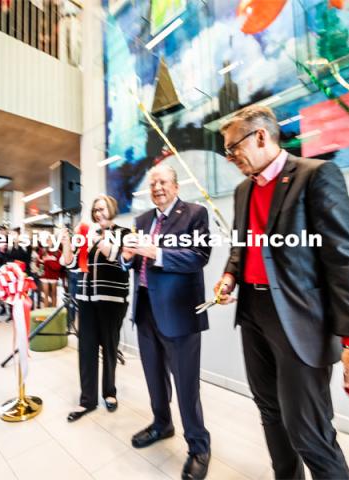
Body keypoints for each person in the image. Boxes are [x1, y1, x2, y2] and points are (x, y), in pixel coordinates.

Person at [215, 105, 349, 479]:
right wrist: (231, 274)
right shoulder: (244, 189)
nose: (230, 158)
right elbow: (240, 246)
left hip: (302, 319)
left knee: (309, 431)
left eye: (233, 149)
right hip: (253, 312)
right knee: (269, 412)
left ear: (261, 136)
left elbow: (343, 260)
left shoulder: (317, 175)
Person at [121, 164, 212, 480]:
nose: (157, 187)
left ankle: (199, 446)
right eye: (152, 183)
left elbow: (200, 255)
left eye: (162, 181)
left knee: (187, 386)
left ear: (175, 185)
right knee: (154, 377)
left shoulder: (195, 213)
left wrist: (155, 251)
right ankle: (162, 423)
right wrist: (127, 256)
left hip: (180, 313)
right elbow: (129, 263)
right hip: (145, 309)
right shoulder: (142, 220)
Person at [61, 195, 130, 422]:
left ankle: (109, 393)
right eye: (95, 209)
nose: (98, 213)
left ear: (112, 209)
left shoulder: (124, 233)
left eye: (103, 209)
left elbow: (119, 258)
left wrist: (96, 239)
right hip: (86, 299)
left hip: (112, 300)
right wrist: (66, 244)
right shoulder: (86, 235)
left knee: (109, 348)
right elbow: (72, 265)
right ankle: (87, 400)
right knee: (86, 349)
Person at [38, 238, 61, 308]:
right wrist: (41, 262)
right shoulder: (42, 251)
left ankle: (54, 312)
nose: (48, 242)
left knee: (54, 294)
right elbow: (39, 265)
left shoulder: (58, 252)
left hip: (53, 276)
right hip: (44, 276)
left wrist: (47, 260)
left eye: (50, 240)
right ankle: (46, 312)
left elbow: (58, 267)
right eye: (47, 240)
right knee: (45, 294)